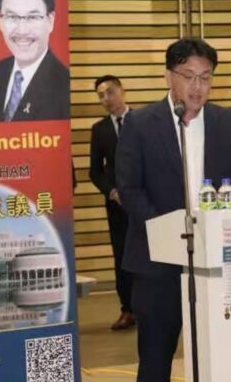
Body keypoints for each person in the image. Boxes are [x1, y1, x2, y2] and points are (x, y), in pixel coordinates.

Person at [116, 37, 231, 382]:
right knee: (155, 360)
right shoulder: (139, 123)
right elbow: (130, 190)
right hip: (157, 262)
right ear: (169, 76)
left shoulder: (229, 123)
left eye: (205, 77)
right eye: (188, 76)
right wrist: (169, 233)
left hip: (214, 261)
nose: (197, 87)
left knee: (220, 357)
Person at [89, 75, 134, 330]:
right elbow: (94, 171)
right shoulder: (99, 129)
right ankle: (127, 309)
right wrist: (111, 191)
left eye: (110, 92)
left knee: (150, 255)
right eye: (100, 95)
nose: (106, 99)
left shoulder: (144, 120)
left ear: (122, 91)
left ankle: (150, 307)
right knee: (122, 256)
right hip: (117, 205)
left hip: (146, 202)